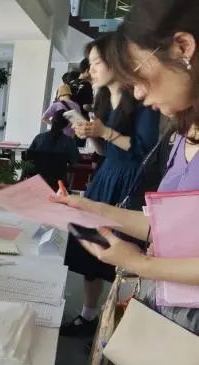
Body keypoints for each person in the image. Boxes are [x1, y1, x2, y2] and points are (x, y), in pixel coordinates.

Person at [55, 0, 199, 365]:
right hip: (170, 318)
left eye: (138, 74)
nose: (137, 92)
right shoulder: (184, 135)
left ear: (183, 48)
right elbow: (167, 226)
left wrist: (140, 264)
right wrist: (91, 207)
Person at [61, 35, 161, 337]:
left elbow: (144, 151)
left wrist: (105, 131)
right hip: (107, 175)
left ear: (117, 62)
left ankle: (118, 326)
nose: (90, 70)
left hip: (130, 181)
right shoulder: (103, 99)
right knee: (90, 249)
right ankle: (88, 315)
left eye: (96, 63)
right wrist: (92, 134)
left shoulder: (142, 103)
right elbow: (105, 151)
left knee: (121, 254)